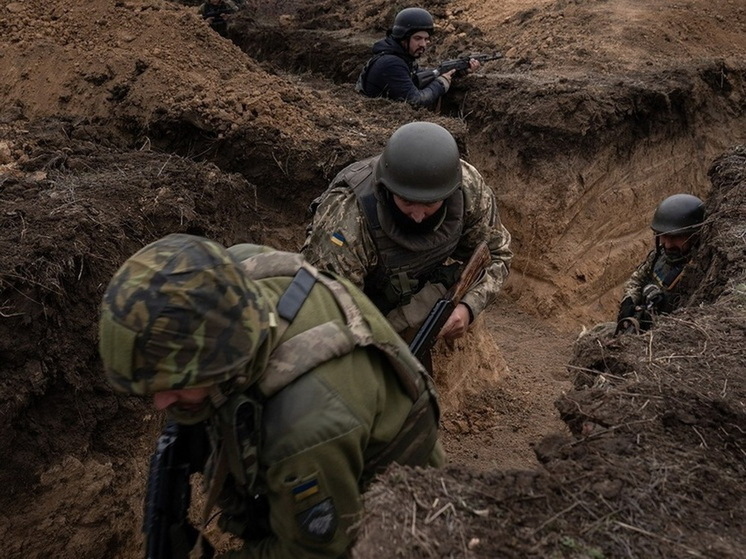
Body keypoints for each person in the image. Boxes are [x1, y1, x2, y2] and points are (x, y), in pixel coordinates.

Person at [98, 234, 444, 558]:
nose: (160, 402)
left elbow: (315, 552)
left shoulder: (303, 430)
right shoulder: (235, 276)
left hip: (403, 509)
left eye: (174, 384)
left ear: (225, 364)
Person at [301, 121, 512, 348]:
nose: (418, 216)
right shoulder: (347, 219)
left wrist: (468, 307)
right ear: (387, 188)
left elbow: (497, 255)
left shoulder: (468, 187)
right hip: (358, 309)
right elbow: (325, 316)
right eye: (407, 201)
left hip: (415, 290)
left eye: (430, 204)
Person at [615, 193, 706, 333]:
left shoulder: (697, 271)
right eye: (664, 236)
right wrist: (629, 300)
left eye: (676, 237)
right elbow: (638, 278)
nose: (668, 245)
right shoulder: (660, 256)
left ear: (694, 236)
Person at [355, 7, 481, 109]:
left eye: (426, 39)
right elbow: (416, 101)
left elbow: (417, 78)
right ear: (403, 38)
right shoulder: (391, 63)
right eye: (418, 38)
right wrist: (441, 83)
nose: (423, 44)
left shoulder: (401, 57)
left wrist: (457, 72)